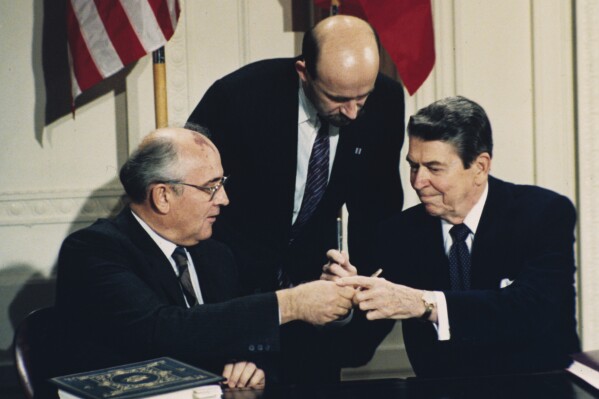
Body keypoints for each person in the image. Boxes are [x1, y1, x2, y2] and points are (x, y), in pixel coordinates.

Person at [186, 15, 404, 382]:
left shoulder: (386, 100)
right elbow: (191, 208)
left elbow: (378, 213)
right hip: (234, 299)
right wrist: (236, 339)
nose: (352, 113)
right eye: (337, 98)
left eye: (361, 98)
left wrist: (356, 311)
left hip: (313, 304)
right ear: (304, 72)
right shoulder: (238, 97)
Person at [54, 127, 356, 388]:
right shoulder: (92, 251)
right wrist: (292, 302)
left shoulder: (214, 254)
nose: (224, 199)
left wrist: (248, 363)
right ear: (163, 196)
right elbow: (162, 331)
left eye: (222, 183)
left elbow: (236, 328)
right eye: (211, 187)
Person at [336, 96, 581, 377]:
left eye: (434, 168)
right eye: (413, 166)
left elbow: (532, 311)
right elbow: (356, 349)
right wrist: (343, 302)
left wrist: (424, 303)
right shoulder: (398, 234)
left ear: (480, 167)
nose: (417, 182)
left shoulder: (543, 214)